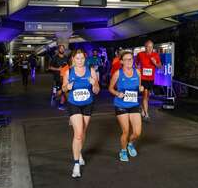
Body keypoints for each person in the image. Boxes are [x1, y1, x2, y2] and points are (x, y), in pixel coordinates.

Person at [62, 49, 100, 178]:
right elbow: (63, 88)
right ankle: (76, 164)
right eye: (77, 58)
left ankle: (79, 152)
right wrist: (67, 87)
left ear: (85, 59)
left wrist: (94, 84)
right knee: (78, 134)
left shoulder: (91, 71)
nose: (80, 61)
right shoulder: (69, 72)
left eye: (82, 58)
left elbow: (97, 91)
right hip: (74, 104)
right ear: (73, 59)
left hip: (88, 104)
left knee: (83, 132)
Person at [109, 51, 144, 162]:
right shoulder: (118, 74)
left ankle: (130, 144)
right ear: (122, 61)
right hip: (121, 105)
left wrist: (140, 89)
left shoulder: (137, 72)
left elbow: (139, 87)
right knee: (126, 131)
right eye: (127, 59)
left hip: (133, 104)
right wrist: (117, 93)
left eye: (131, 59)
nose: (130, 61)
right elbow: (110, 88)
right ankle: (123, 151)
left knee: (137, 132)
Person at [136, 40, 161, 121]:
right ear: (145, 47)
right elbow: (136, 63)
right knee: (145, 94)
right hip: (142, 78)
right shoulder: (140, 54)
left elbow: (160, 66)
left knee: (147, 96)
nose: (149, 48)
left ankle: (142, 109)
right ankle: (146, 115)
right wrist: (137, 68)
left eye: (151, 47)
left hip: (151, 79)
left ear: (153, 47)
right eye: (148, 47)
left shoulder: (155, 55)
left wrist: (155, 63)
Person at [49, 44, 69, 110]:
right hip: (57, 78)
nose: (62, 49)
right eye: (60, 48)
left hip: (65, 78)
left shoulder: (66, 58)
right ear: (58, 50)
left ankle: (61, 104)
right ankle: (54, 96)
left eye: (63, 48)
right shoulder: (55, 58)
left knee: (63, 91)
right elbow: (50, 67)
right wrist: (58, 69)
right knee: (57, 92)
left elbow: (69, 66)